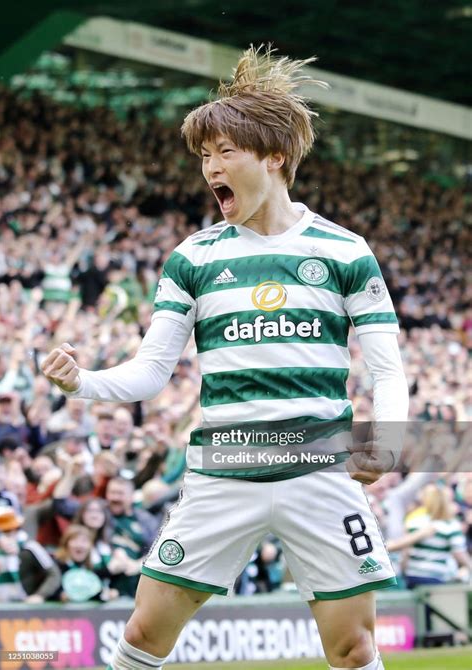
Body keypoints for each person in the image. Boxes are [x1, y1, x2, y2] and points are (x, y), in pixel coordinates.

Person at [42, 46, 409, 670]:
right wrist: (83, 383)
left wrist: (389, 439)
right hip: (224, 467)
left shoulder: (345, 251)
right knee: (143, 634)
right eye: (204, 156)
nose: (210, 167)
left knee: (353, 648)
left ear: (275, 158)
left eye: (223, 153)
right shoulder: (194, 256)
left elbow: (387, 370)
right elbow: (152, 371)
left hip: (319, 471)